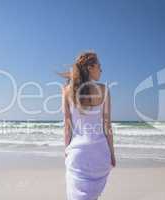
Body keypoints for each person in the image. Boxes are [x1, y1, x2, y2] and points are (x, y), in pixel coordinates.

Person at [61, 51, 116, 200]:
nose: (101, 70)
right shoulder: (104, 90)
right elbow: (107, 126)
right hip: (100, 153)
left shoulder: (67, 91)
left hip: (78, 153)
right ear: (90, 68)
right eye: (99, 66)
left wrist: (66, 149)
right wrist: (112, 153)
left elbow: (67, 126)